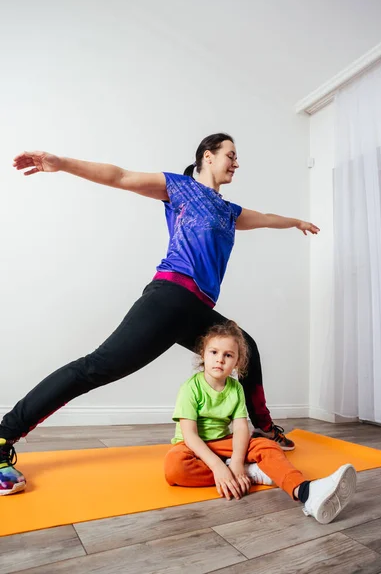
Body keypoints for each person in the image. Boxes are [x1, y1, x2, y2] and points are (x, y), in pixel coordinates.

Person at [0, 133, 320, 496]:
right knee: (94, 368)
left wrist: (295, 221)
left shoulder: (228, 211)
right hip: (168, 298)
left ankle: (261, 427)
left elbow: (263, 218)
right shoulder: (180, 188)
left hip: (197, 307)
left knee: (245, 346)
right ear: (207, 156)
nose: (236, 162)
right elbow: (119, 176)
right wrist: (62, 164)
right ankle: (4, 434)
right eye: (231, 155)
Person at [164, 321, 356, 524]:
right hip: (192, 447)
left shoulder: (236, 388)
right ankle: (252, 472)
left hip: (223, 442)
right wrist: (218, 468)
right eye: (214, 352)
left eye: (228, 355)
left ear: (238, 362)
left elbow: (240, 428)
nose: (220, 360)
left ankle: (306, 492)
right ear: (203, 354)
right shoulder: (190, 388)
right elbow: (190, 436)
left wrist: (237, 461)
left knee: (267, 446)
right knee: (174, 466)